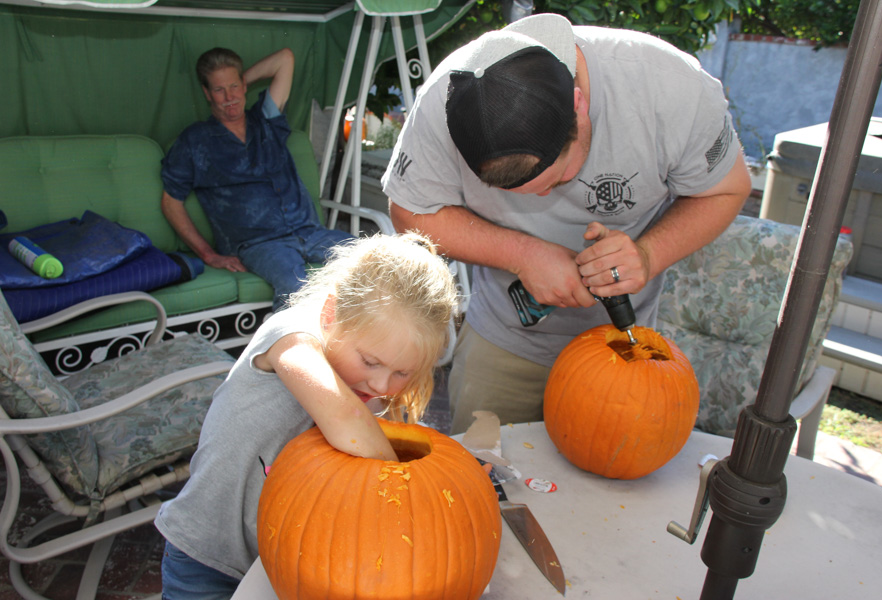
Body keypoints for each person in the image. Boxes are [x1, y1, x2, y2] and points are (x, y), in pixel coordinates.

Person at [382, 13, 752, 434]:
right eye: (518, 194)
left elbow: (727, 189)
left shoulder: (668, 87)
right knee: (486, 482)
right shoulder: (442, 102)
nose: (546, 198)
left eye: (558, 179)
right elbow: (411, 211)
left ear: (579, 105)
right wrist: (521, 254)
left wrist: (648, 255)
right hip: (505, 340)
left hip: (620, 349)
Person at [154, 232, 458, 599]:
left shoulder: (367, 380)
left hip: (275, 562)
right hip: (204, 557)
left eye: (402, 373)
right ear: (331, 314)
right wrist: (417, 496)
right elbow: (347, 421)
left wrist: (448, 475)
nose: (380, 383)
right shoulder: (290, 337)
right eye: (370, 362)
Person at [160, 47, 353, 310]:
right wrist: (209, 255)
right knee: (296, 285)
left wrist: (241, 83)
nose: (229, 97)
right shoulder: (195, 141)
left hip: (309, 232)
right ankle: (283, 346)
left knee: (375, 259)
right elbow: (171, 202)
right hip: (259, 243)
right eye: (219, 90)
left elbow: (286, 58)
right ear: (206, 93)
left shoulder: (266, 119)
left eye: (234, 86)